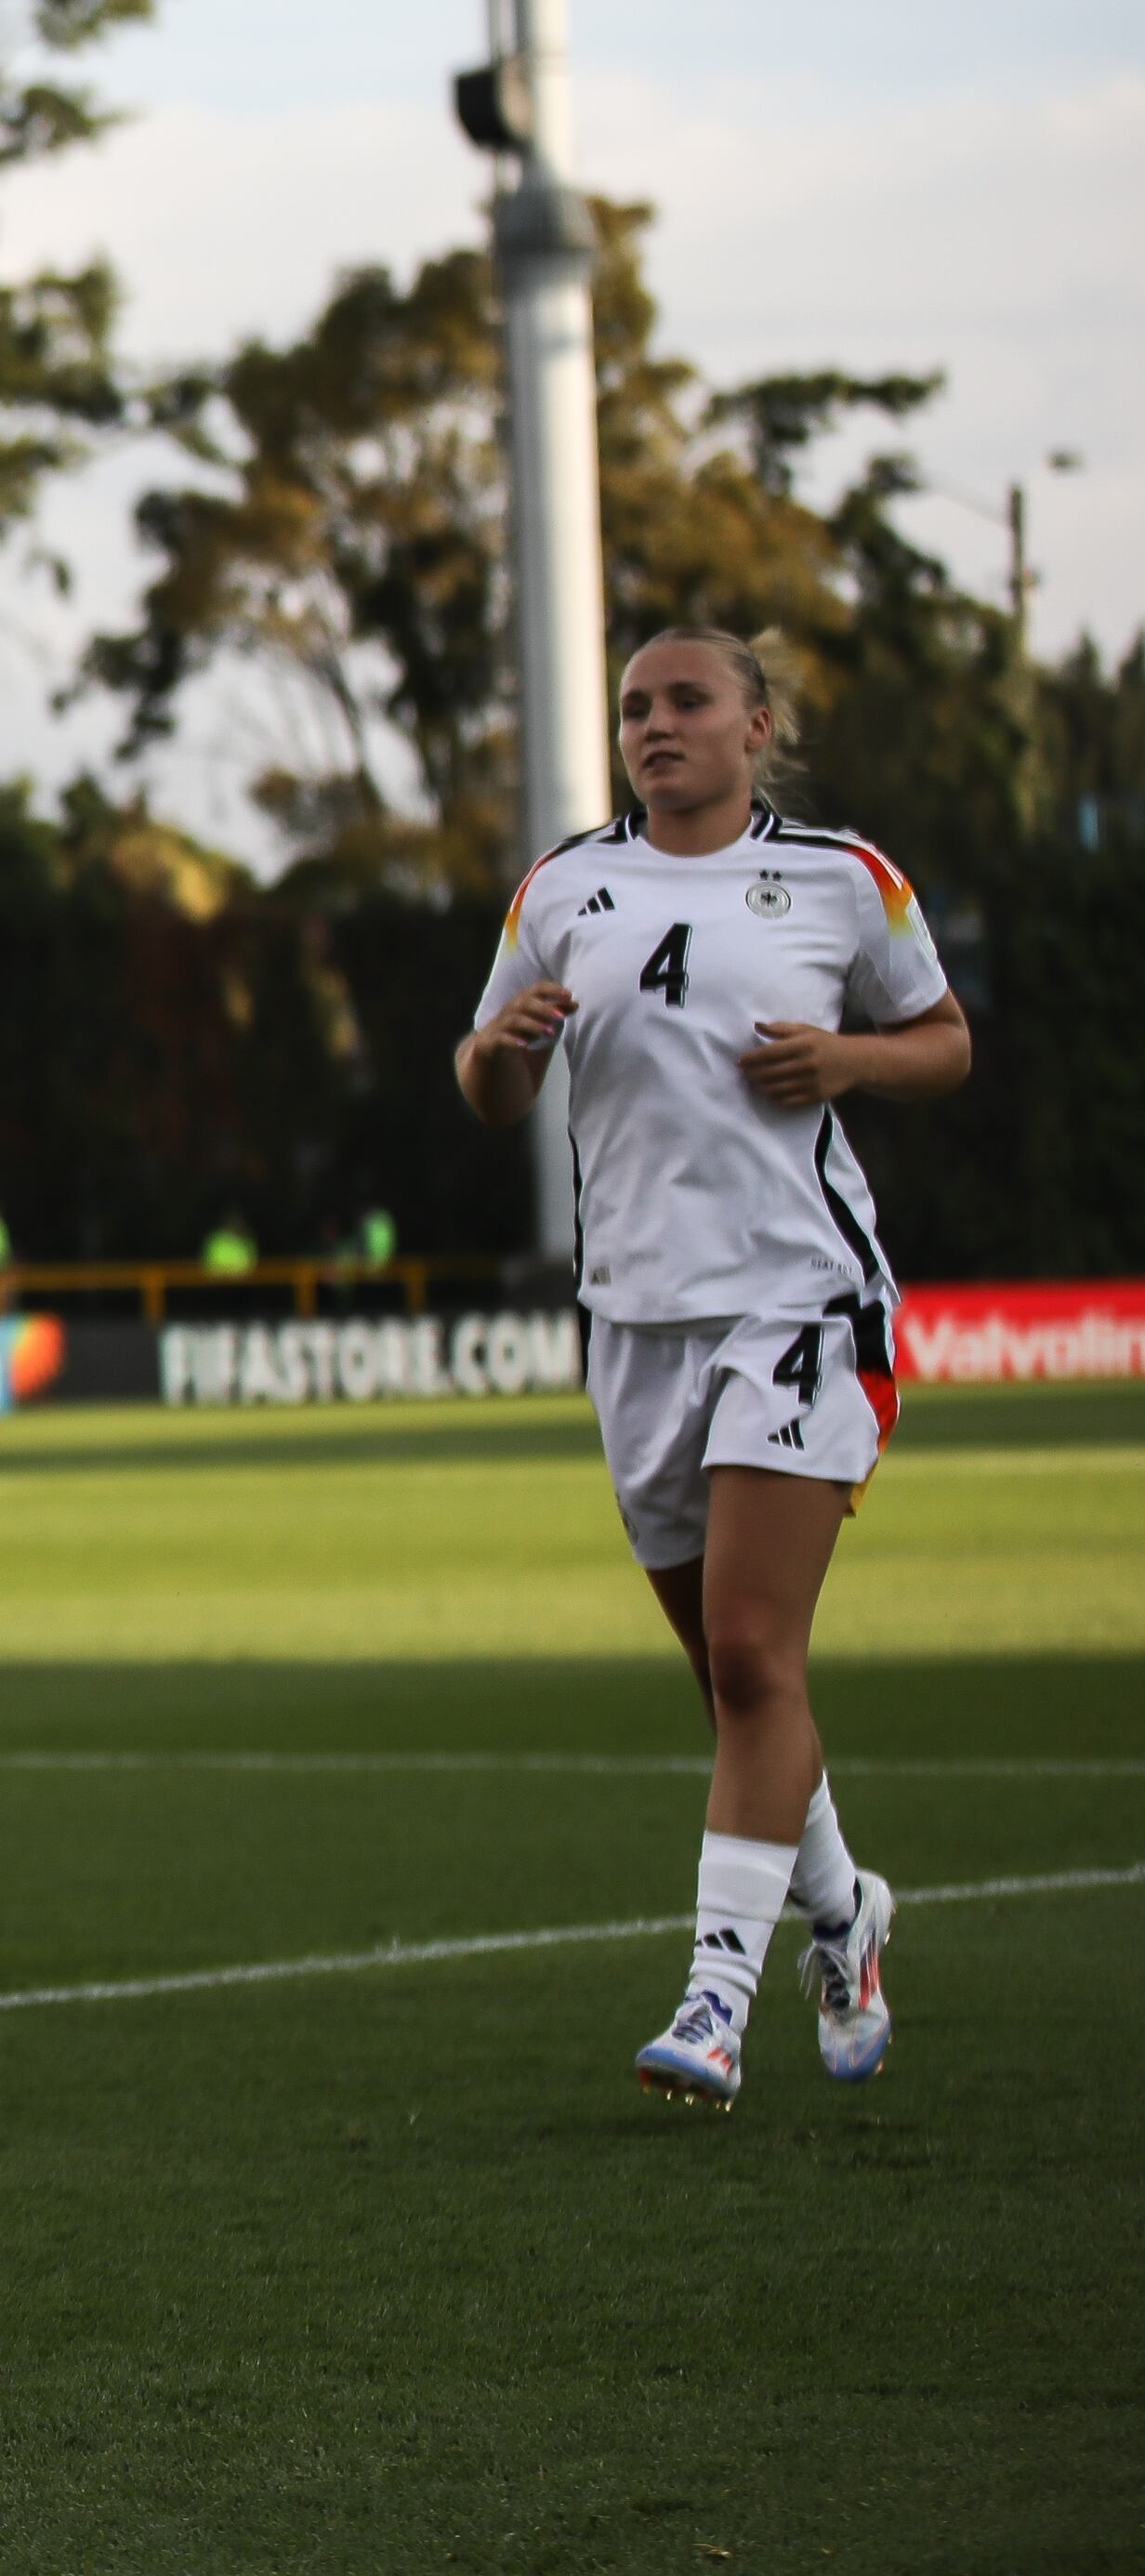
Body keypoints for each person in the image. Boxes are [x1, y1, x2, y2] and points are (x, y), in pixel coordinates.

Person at [454, 625, 968, 2110]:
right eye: (634, 706)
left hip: (800, 1301)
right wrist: (504, 1052)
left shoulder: (842, 876)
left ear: (758, 726)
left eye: (686, 701)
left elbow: (943, 1039)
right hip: (635, 1321)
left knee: (752, 1652)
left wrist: (849, 1061)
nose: (654, 725)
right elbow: (482, 1081)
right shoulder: (562, 887)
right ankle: (844, 1913)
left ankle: (714, 2006)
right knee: (737, 1678)